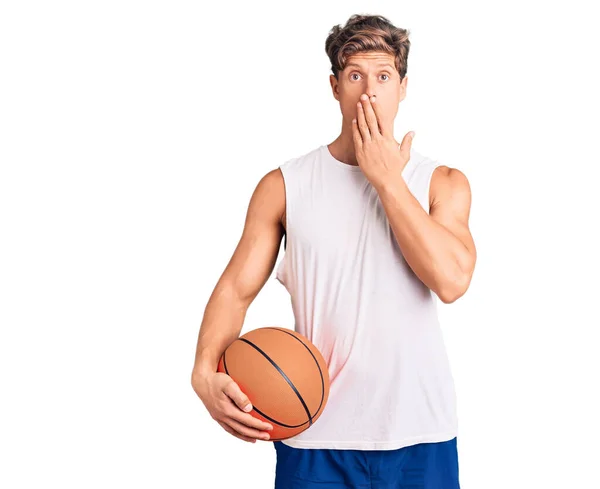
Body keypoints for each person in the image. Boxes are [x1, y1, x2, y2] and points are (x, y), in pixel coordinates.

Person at [191, 13, 477, 489]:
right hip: (314, 437)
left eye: (383, 76)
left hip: (419, 436)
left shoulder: (442, 182)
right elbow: (236, 291)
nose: (369, 91)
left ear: (403, 87)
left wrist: (386, 179)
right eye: (355, 75)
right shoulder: (285, 186)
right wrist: (203, 373)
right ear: (334, 86)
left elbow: (451, 281)